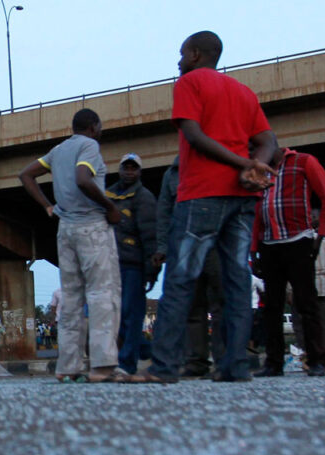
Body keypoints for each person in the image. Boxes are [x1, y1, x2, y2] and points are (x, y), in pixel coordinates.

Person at [133, 30, 277, 384]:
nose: (178, 61)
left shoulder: (189, 83)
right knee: (237, 282)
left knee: (181, 279)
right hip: (242, 199)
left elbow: (194, 135)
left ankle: (164, 367)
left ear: (196, 54)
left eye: (182, 54)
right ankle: (234, 366)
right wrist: (255, 163)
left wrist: (243, 165)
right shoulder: (243, 91)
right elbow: (268, 139)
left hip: (201, 195)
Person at [18, 108, 125, 383]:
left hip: (65, 229)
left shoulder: (57, 151)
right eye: (100, 127)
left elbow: (26, 174)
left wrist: (47, 207)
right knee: (103, 294)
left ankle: (68, 366)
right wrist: (110, 206)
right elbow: (82, 178)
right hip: (91, 226)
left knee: (72, 298)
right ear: (93, 127)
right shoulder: (89, 145)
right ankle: (102, 366)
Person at [250, 146, 325, 377]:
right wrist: (254, 250)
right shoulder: (259, 171)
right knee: (272, 307)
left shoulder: (304, 161)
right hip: (269, 244)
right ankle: (273, 362)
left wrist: (321, 236)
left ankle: (317, 360)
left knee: (306, 303)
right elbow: (257, 209)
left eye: (255, 149)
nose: (253, 155)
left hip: (298, 240)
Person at [156, 157, 225, 377]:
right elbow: (164, 213)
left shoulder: (218, 164)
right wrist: (162, 247)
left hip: (216, 245)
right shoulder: (171, 174)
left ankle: (225, 360)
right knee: (193, 307)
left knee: (221, 305)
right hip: (185, 247)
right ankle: (196, 362)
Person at [107, 153, 158, 375]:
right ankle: (151, 352)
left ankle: (127, 363)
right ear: (119, 170)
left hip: (133, 265)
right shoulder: (107, 195)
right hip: (110, 264)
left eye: (133, 168)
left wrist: (152, 270)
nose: (129, 172)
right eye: (125, 168)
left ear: (139, 172)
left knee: (131, 314)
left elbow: (150, 236)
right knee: (116, 317)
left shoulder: (144, 198)